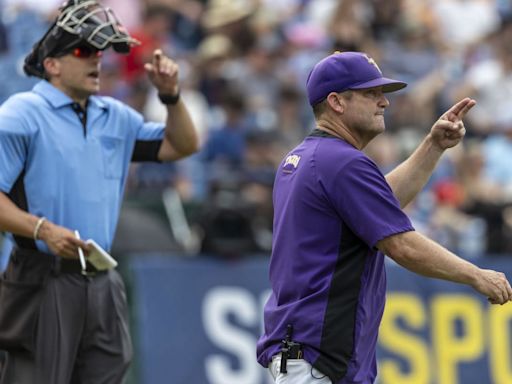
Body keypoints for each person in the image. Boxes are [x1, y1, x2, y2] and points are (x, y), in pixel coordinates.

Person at [256, 51, 512, 384]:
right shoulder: (341, 161)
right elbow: (400, 243)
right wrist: (475, 275)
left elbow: (380, 206)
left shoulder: (306, 157)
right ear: (336, 102)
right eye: (370, 93)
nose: (384, 103)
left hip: (308, 351)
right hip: (321, 356)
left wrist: (433, 146)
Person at [0, 1, 199, 383]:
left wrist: (171, 97)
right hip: (42, 276)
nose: (96, 60)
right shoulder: (23, 112)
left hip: (101, 278)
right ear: (52, 64)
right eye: (82, 51)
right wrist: (41, 228)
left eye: (98, 52)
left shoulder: (116, 116)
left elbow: (182, 145)